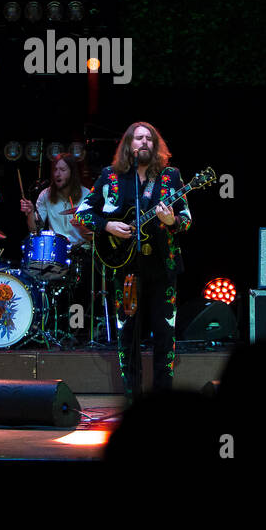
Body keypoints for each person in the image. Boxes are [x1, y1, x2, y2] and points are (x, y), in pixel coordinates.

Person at [74, 122, 192, 398]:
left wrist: (171, 220)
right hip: (124, 268)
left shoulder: (170, 176)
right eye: (138, 138)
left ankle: (164, 396)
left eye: (149, 139)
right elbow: (82, 212)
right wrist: (107, 226)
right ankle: (133, 398)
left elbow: (187, 219)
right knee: (128, 335)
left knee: (165, 335)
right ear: (128, 145)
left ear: (156, 145)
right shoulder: (110, 176)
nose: (144, 143)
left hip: (163, 267)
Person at [20, 152, 92, 272]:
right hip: (56, 253)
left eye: (63, 170)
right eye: (55, 170)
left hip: (82, 252)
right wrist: (30, 213)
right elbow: (35, 231)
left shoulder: (87, 195)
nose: (57, 174)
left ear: (72, 173)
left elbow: (93, 233)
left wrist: (82, 226)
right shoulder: (45, 195)